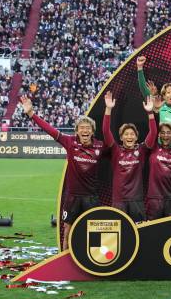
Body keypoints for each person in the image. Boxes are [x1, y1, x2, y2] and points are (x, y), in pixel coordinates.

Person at [19, 95, 107, 250]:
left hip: (91, 197)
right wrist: (31, 113)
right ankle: (65, 262)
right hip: (72, 197)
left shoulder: (100, 146)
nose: (85, 131)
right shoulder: (70, 142)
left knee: (94, 232)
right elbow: (50, 130)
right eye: (82, 128)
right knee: (67, 231)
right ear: (77, 131)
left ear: (93, 132)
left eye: (88, 128)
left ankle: (92, 263)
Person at [103, 92, 157, 222]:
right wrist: (108, 109)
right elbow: (106, 131)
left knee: (140, 233)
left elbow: (153, 133)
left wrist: (150, 113)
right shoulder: (116, 150)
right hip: (119, 201)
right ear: (121, 137)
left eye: (132, 134)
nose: (129, 137)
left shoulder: (141, 150)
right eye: (126, 134)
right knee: (120, 234)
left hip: (136, 200)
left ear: (136, 137)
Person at [146, 122, 171, 220]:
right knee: (152, 231)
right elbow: (153, 131)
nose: (165, 135)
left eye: (168, 132)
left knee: (170, 231)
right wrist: (153, 112)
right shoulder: (153, 148)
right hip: (154, 199)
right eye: (162, 133)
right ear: (158, 135)